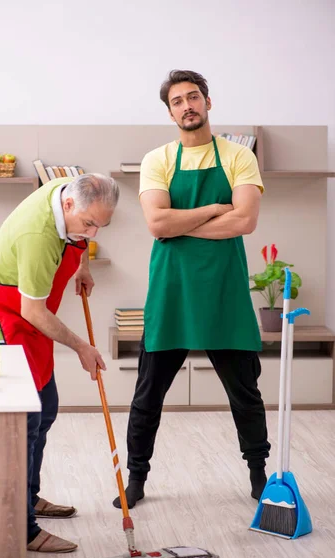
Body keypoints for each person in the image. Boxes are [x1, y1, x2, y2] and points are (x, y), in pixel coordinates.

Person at [113, 69, 271, 511]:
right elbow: (155, 224)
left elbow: (245, 221)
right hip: (172, 292)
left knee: (246, 393)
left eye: (194, 97)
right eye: (178, 101)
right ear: (170, 112)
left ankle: (259, 475)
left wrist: (181, 224)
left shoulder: (240, 157)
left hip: (224, 291)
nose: (187, 106)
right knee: (148, 395)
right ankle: (137, 478)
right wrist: (214, 209)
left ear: (208, 102)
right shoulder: (157, 159)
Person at [0, 173, 119, 553]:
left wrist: (82, 264)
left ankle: (28, 497)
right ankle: (21, 528)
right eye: (88, 224)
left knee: (45, 409)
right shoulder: (37, 237)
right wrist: (82, 346)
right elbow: (31, 310)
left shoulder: (73, 190)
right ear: (68, 205)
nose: (93, 232)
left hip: (31, 320)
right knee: (25, 423)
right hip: (2, 324)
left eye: (102, 225)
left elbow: (82, 233)